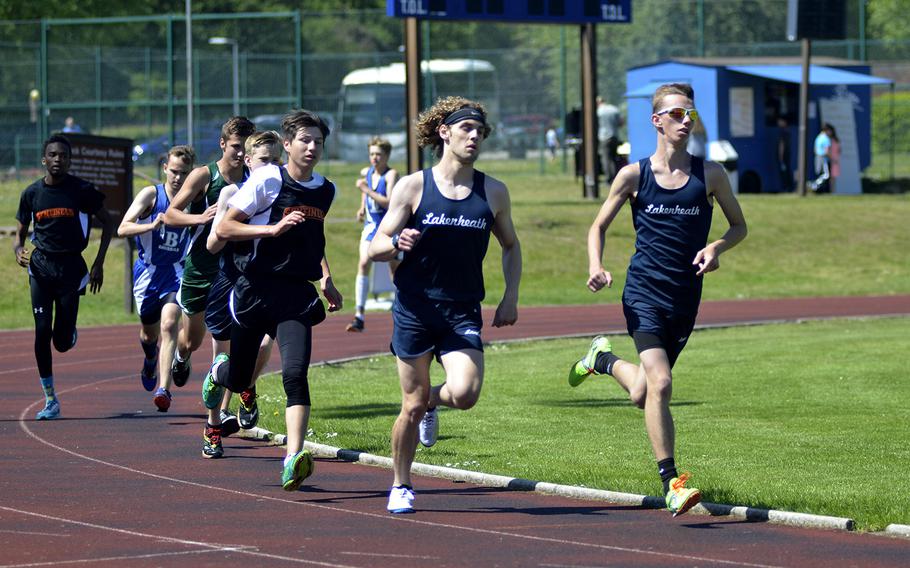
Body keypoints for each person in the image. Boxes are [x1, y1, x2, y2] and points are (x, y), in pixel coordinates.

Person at [567, 83, 747, 518]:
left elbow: (739, 226)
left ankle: (602, 360)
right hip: (643, 292)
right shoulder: (634, 175)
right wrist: (596, 264)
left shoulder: (712, 175)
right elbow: (597, 226)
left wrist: (716, 248)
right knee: (662, 384)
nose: (686, 121)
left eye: (691, 115)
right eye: (678, 114)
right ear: (657, 121)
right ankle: (672, 482)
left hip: (684, 299)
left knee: (645, 391)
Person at [368, 97, 522, 514]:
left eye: (480, 131)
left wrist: (510, 296)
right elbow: (377, 242)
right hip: (415, 309)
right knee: (411, 404)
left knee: (467, 393)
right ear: (445, 133)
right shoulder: (413, 186)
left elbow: (510, 245)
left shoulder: (493, 191)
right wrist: (395, 243)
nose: (474, 137)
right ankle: (401, 484)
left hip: (461, 310)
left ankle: (434, 402)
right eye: (466, 129)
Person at [201, 110, 342, 485]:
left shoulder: (326, 190)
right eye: (305, 140)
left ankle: (293, 456)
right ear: (288, 143)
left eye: (319, 142)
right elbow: (227, 226)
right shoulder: (267, 179)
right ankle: (219, 371)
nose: (312, 147)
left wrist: (326, 277)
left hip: (296, 293)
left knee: (295, 373)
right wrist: (273, 227)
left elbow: (313, 238)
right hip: (254, 290)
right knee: (241, 376)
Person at [13, 134, 114, 420]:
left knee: (60, 342)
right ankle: (50, 399)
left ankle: (68, 333)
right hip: (41, 267)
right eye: (53, 155)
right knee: (41, 331)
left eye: (64, 156)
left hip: (71, 269)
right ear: (44, 160)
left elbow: (108, 222)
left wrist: (99, 263)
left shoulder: (81, 190)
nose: (58, 159)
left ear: (70, 160)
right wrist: (19, 250)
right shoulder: (31, 193)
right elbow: (19, 235)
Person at [162, 116, 256, 389]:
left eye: (245, 148)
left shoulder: (254, 179)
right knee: (192, 340)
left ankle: (225, 400)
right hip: (201, 267)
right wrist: (201, 219)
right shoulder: (204, 175)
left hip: (234, 269)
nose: (240, 153)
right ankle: (181, 356)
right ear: (223, 143)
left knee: (231, 334)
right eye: (236, 146)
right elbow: (170, 215)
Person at [202, 131, 283, 439]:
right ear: (249, 161)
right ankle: (213, 425)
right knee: (221, 356)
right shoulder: (232, 192)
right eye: (264, 160)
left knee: (264, 344)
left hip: (265, 281)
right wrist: (247, 226)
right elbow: (212, 244)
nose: (271, 166)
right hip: (231, 280)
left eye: (276, 160)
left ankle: (248, 385)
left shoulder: (283, 192)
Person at [116, 146, 195, 411]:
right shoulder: (151, 195)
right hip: (147, 274)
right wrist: (149, 225)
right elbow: (123, 227)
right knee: (149, 335)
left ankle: (164, 389)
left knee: (170, 322)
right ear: (164, 169)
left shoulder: (193, 199)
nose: (178, 178)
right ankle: (150, 358)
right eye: (174, 171)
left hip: (176, 272)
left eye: (184, 173)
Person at [347, 137, 399, 333]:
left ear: (387, 156)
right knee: (363, 263)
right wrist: (362, 207)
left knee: (394, 270)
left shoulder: (391, 175)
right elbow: (365, 190)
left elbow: (390, 203)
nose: (374, 158)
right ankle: (359, 315)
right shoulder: (367, 172)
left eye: (379, 154)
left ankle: (401, 310)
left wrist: (366, 190)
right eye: (372, 154)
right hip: (371, 226)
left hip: (387, 228)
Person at [596, 96, 623, 185]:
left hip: (604, 137)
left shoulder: (598, 111)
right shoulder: (613, 109)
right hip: (614, 136)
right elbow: (621, 122)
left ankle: (609, 179)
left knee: (606, 159)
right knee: (614, 158)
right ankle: (616, 178)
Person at [809, 122, 833, 193]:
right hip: (823, 158)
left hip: (817, 157)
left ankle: (817, 188)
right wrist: (831, 158)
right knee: (826, 174)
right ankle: (815, 185)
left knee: (819, 173)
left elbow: (815, 149)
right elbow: (827, 151)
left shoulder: (818, 137)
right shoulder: (826, 138)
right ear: (827, 130)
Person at [776, 117, 793, 192]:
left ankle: (786, 187)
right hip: (788, 155)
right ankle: (789, 187)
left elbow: (781, 145)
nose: (778, 123)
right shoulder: (788, 131)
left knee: (784, 172)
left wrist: (780, 156)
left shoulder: (782, 132)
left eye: (780, 121)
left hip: (784, 156)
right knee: (787, 171)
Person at [827, 124, 841, 194]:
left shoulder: (835, 140)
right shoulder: (827, 139)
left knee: (833, 176)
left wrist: (836, 158)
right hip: (831, 159)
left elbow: (839, 149)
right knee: (830, 176)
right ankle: (831, 190)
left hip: (835, 159)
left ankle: (833, 191)